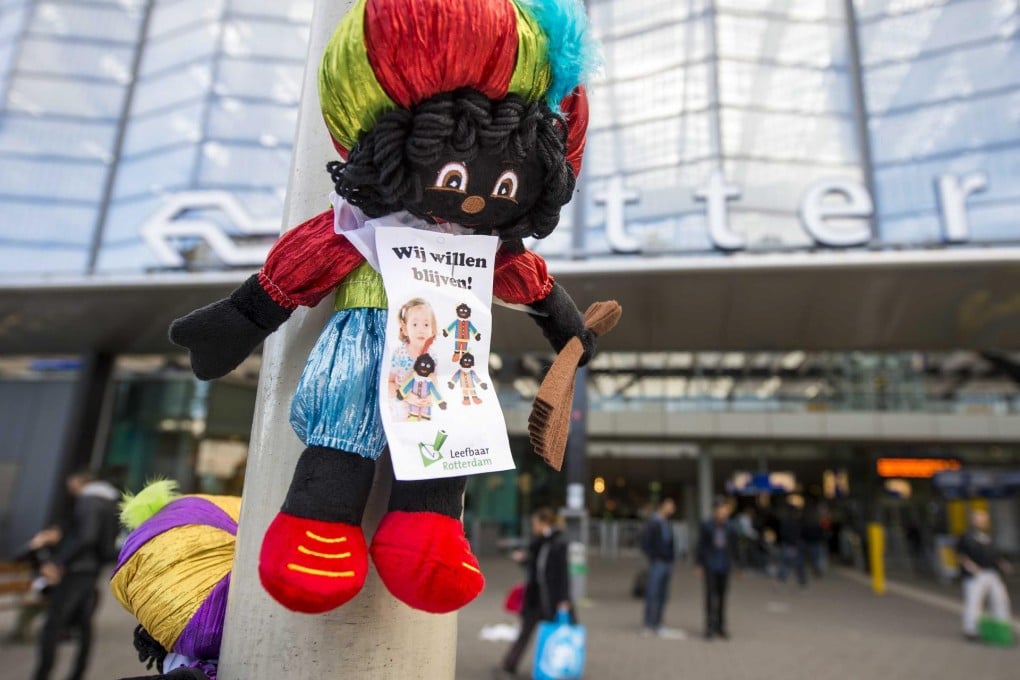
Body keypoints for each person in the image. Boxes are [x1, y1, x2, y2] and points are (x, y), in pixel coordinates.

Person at [31, 468, 119, 680]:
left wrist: (59, 561)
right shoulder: (109, 502)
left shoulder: (88, 501)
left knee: (52, 626)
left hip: (76, 570)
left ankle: (42, 674)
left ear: (80, 481)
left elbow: (87, 536)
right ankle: (77, 673)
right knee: (84, 626)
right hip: (92, 570)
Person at [499, 508, 573, 677]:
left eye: (535, 523)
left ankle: (557, 665)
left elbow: (562, 573)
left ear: (544, 523)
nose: (533, 527)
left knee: (557, 632)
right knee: (525, 632)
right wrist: (523, 560)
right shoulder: (539, 542)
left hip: (552, 598)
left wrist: (564, 598)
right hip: (535, 596)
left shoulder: (557, 543)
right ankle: (510, 664)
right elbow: (535, 567)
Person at [956, 508, 1013, 641]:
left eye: (984, 518)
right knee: (974, 601)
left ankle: (1002, 626)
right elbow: (961, 554)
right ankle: (971, 629)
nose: (982, 520)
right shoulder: (966, 536)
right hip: (976, 575)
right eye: (979, 518)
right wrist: (970, 566)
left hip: (992, 573)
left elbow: (995, 555)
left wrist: (1002, 564)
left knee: (1001, 600)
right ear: (972, 520)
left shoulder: (989, 536)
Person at [639, 498, 684, 638]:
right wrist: (654, 557)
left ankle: (658, 623)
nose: (672, 509)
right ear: (662, 506)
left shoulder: (666, 523)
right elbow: (646, 543)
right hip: (657, 562)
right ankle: (648, 624)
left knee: (663, 594)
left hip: (667, 562)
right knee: (653, 593)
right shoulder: (653, 523)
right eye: (670, 506)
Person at [696, 499, 739, 640]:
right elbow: (701, 545)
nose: (723, 514)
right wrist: (699, 564)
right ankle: (709, 626)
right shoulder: (707, 526)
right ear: (715, 512)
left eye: (725, 511)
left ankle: (720, 626)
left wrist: (737, 565)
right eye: (720, 511)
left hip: (724, 566)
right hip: (711, 565)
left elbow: (734, 547)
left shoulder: (730, 527)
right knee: (710, 596)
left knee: (722, 597)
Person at [776, 501, 806, 587]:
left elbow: (783, 533)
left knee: (786, 563)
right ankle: (801, 582)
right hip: (793, 544)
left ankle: (781, 580)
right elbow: (797, 534)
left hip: (789, 544)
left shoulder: (786, 521)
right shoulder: (796, 521)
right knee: (796, 564)